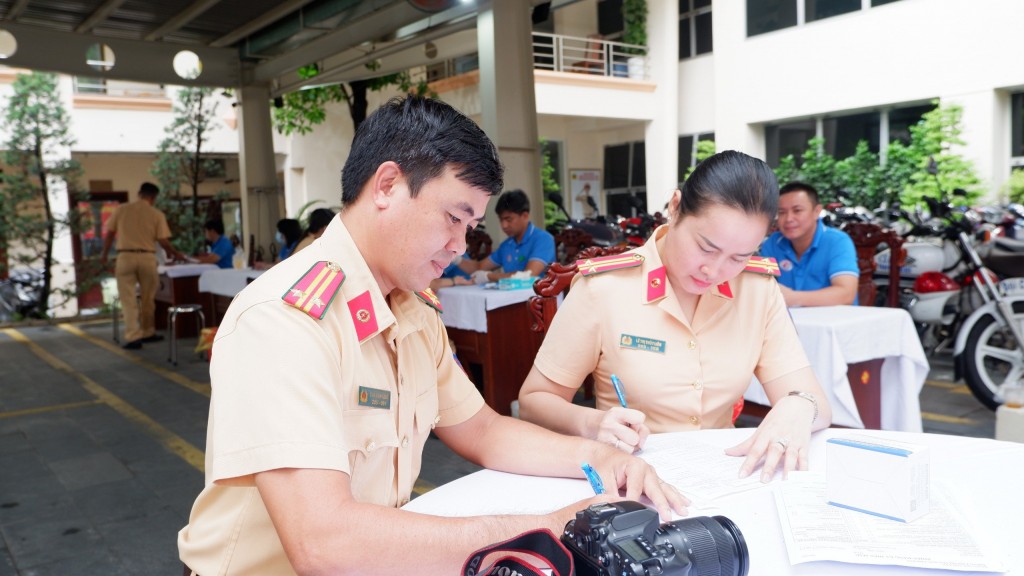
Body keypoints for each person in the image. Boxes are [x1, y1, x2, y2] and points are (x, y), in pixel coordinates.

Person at [177, 96, 686, 575]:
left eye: (470, 225)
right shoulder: (286, 320)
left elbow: (483, 431)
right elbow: (323, 541)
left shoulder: (413, 310)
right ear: (387, 185)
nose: (458, 245)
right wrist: (543, 529)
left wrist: (601, 457)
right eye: (453, 217)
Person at [517, 151, 833, 483]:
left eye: (739, 257)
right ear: (676, 206)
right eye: (706, 248)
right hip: (629, 480)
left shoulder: (757, 289)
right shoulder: (605, 288)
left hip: (724, 479)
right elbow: (535, 402)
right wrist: (592, 424)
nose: (715, 270)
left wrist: (800, 406)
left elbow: (818, 404)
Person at [100, 182, 184, 350]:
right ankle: (148, 332)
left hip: (125, 257)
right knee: (148, 298)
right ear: (153, 197)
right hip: (147, 257)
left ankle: (133, 337)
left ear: (139, 194)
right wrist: (176, 254)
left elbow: (109, 234)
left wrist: (104, 254)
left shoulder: (121, 209)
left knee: (128, 299)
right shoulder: (156, 214)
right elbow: (163, 241)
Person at [758, 181, 859, 307]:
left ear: (817, 211)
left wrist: (792, 298)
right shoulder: (772, 243)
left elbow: (846, 294)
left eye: (797, 210)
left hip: (832, 323)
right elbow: (758, 288)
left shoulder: (837, 241)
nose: (789, 219)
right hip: (787, 323)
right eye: (782, 212)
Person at [457, 189, 556, 284]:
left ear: (525, 216)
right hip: (512, 298)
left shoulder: (544, 239)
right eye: (501, 220)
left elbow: (528, 276)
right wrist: (456, 259)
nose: (504, 225)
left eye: (508, 219)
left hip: (540, 299)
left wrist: (489, 276)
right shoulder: (506, 245)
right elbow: (479, 267)